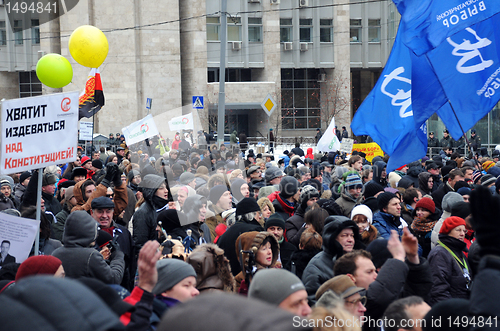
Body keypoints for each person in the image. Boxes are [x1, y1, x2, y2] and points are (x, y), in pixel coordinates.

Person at [52, 211, 125, 284]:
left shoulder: (56, 253)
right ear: (87, 232)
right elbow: (113, 279)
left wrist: (101, 259)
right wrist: (118, 255)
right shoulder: (91, 256)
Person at [302, 216, 363, 302]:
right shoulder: (315, 267)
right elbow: (313, 302)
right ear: (332, 238)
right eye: (344, 236)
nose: (350, 240)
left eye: (352, 236)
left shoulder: (357, 261)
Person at [428, 216, 470, 305]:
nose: (462, 234)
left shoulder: (459, 252)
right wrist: (453, 312)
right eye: (458, 230)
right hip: (452, 312)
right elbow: (438, 290)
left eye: (464, 231)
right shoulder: (439, 254)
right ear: (448, 231)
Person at [216, 197, 264, 276]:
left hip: (227, 280)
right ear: (251, 214)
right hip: (249, 279)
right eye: (259, 213)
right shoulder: (255, 230)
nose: (260, 217)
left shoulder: (224, 235)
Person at [133, 174, 171, 252]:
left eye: (166, 187)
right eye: (161, 188)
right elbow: (140, 244)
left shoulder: (165, 208)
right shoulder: (142, 213)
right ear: (152, 191)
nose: (166, 190)